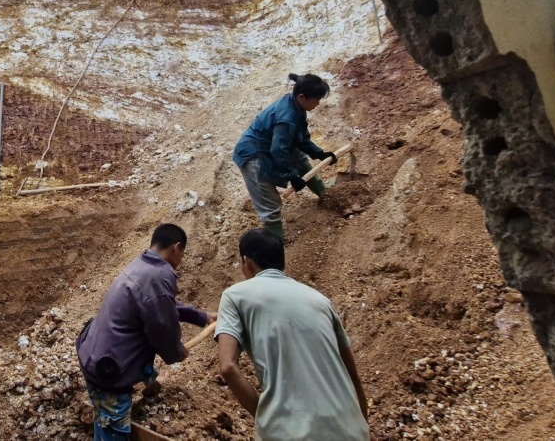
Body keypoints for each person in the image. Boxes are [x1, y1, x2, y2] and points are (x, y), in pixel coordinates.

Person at [216, 229, 371, 441]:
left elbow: (228, 366)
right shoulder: (320, 300)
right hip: (352, 430)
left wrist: (263, 418)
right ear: (283, 263)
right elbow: (353, 377)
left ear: (246, 262)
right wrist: (363, 427)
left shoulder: (235, 295)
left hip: (291, 433)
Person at [75, 224, 217, 441]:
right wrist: (176, 352)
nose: (182, 258)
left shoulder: (143, 264)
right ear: (177, 248)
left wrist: (201, 317)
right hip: (108, 369)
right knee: (113, 426)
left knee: (105, 416)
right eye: (183, 253)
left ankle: (147, 383)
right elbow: (162, 327)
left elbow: (160, 304)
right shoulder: (160, 275)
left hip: (94, 350)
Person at [233, 73, 336, 239]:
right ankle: (275, 246)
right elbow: (278, 150)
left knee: (301, 159)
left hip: (269, 146)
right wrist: (292, 176)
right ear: (302, 97)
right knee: (270, 204)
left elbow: (300, 139)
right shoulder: (287, 117)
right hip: (252, 154)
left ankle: (327, 195)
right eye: (316, 100)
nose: (318, 103)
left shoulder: (297, 107)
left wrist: (320, 153)